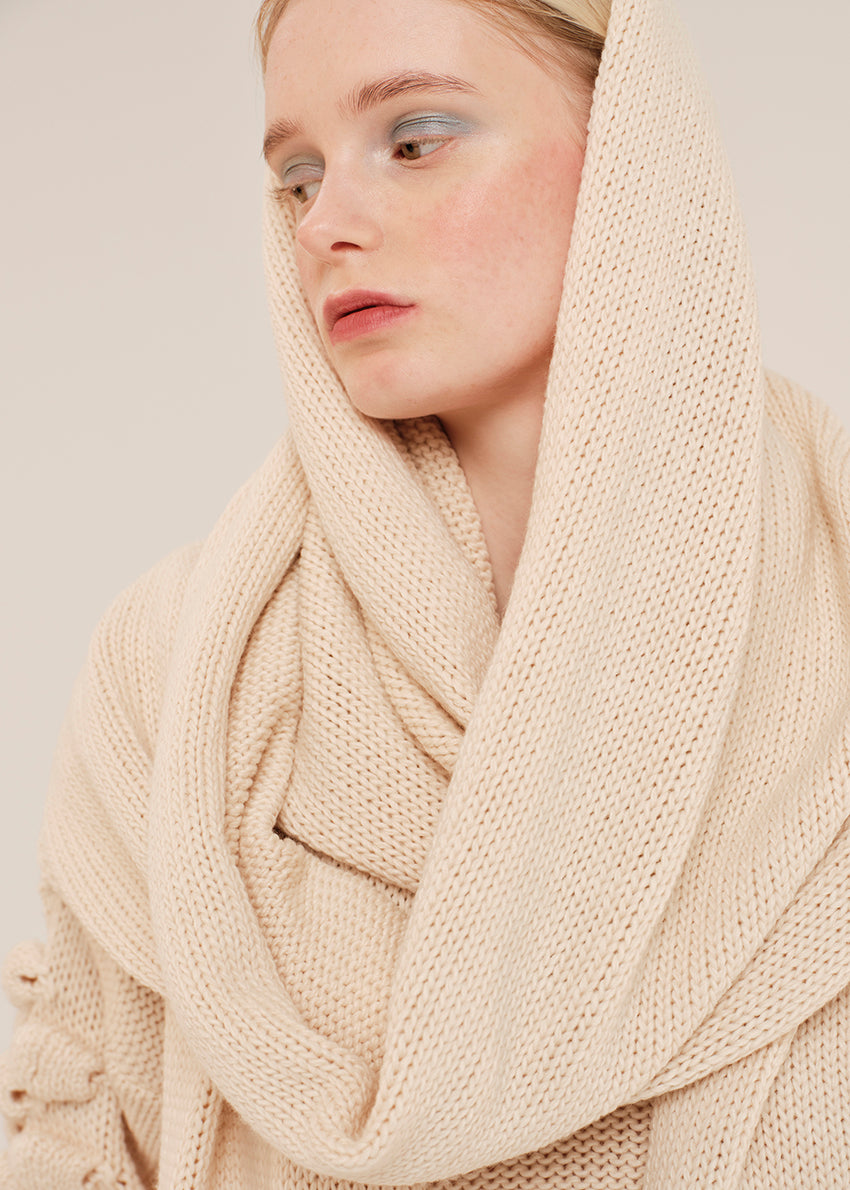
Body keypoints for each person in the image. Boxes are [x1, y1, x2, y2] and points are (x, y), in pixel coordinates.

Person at [1, 0, 848, 1187]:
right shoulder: (175, 671)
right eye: (296, 175)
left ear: (629, 150)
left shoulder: (834, 611)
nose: (324, 225)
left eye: (414, 138)